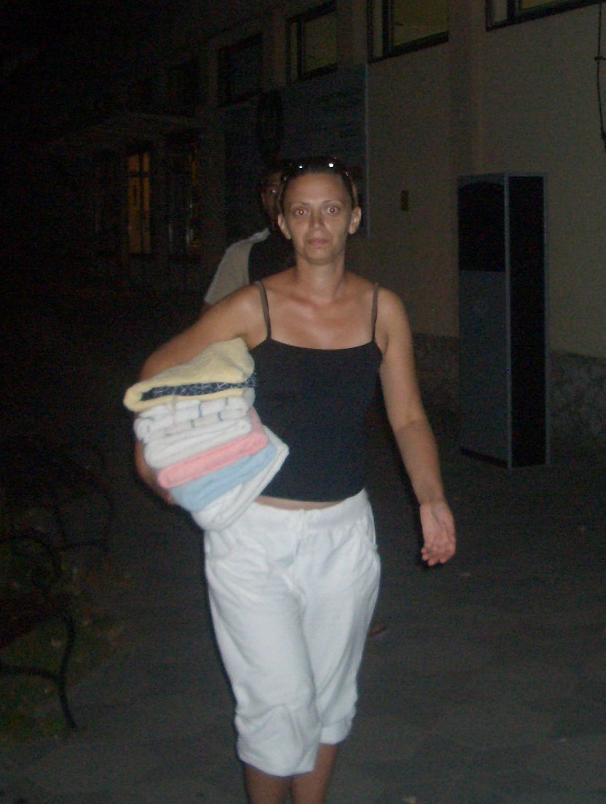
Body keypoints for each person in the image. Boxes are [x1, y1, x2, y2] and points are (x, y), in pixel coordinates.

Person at [135, 155, 456, 804]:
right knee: (277, 704)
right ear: (282, 222)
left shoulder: (382, 309)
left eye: (331, 209)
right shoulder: (254, 306)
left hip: (343, 535)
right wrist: (158, 455)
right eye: (302, 211)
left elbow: (408, 416)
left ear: (354, 218)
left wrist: (432, 498)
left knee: (331, 700)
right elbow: (158, 372)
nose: (317, 224)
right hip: (253, 538)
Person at [202, 164, 295, 312]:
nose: (279, 198)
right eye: (273, 191)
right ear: (263, 199)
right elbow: (212, 314)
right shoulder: (245, 253)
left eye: (286, 190)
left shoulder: (320, 248)